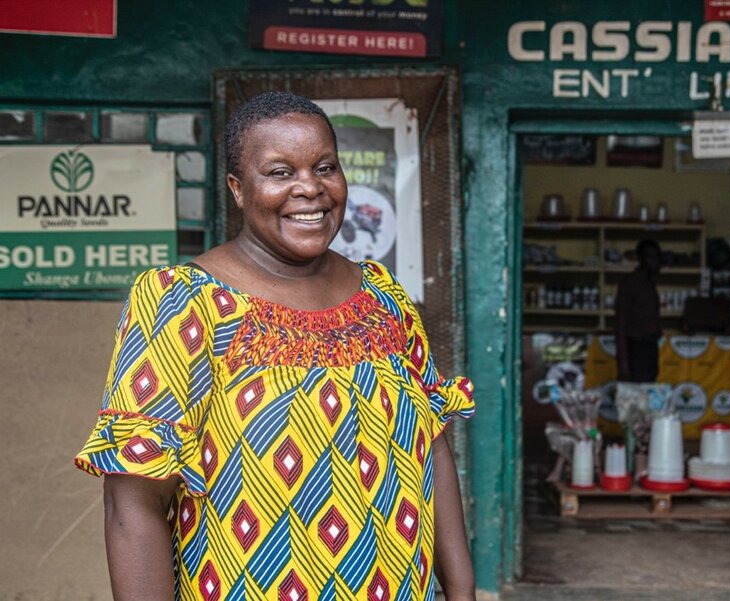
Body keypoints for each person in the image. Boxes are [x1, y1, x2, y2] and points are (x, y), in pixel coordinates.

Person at [74, 91, 476, 600]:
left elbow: (431, 447)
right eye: (280, 172)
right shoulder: (183, 304)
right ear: (238, 189)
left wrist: (461, 591)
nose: (310, 187)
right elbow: (133, 502)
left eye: (325, 166)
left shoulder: (384, 297)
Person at [614, 239, 662, 382]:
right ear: (640, 259)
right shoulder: (630, 283)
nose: (656, 261)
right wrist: (623, 366)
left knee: (648, 392)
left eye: (658, 257)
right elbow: (620, 324)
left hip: (649, 346)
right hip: (635, 348)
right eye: (651, 257)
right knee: (636, 397)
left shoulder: (650, 284)